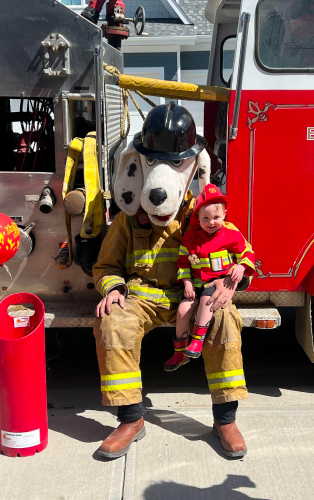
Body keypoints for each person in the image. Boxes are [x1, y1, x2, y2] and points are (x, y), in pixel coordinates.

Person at [93, 102, 251, 459]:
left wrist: (230, 282)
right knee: (112, 323)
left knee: (225, 321)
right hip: (141, 297)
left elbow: (237, 249)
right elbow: (105, 266)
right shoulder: (130, 218)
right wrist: (113, 288)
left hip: (193, 297)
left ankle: (225, 419)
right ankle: (131, 419)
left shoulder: (203, 212)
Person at [164, 184, 255, 370]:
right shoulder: (190, 237)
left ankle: (197, 342)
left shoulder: (231, 235)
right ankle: (180, 352)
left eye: (216, 217)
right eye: (205, 218)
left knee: (207, 300)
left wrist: (241, 266)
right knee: (182, 311)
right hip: (195, 285)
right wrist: (187, 284)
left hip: (216, 284)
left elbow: (248, 253)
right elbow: (183, 263)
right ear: (197, 218)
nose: (211, 222)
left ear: (224, 215)